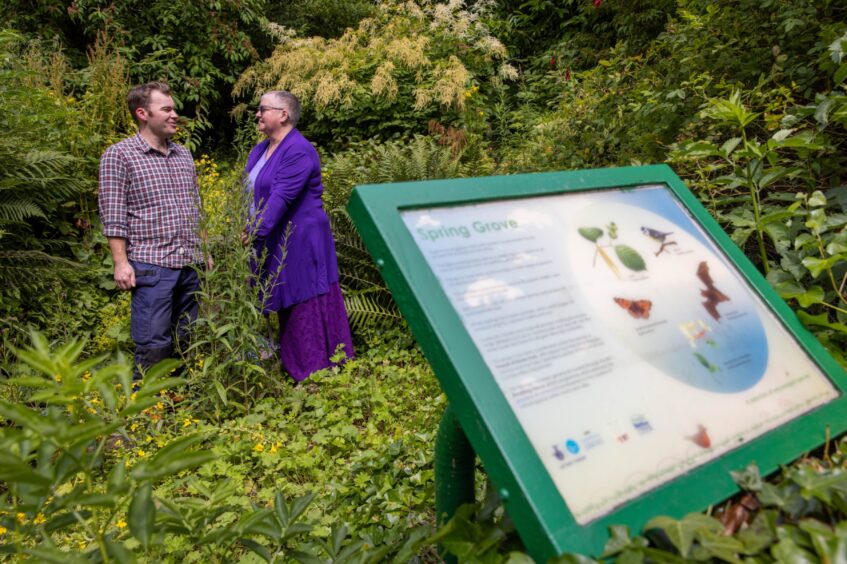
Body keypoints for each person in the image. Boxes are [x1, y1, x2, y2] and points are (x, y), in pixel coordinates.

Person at [99, 81, 209, 376]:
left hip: (191, 263)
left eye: (175, 109)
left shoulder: (183, 155)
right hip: (152, 264)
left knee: (187, 337)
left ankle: (181, 403)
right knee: (154, 342)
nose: (175, 115)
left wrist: (205, 250)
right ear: (142, 113)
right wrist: (121, 263)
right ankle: (148, 409)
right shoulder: (119, 155)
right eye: (167, 109)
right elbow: (113, 214)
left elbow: (196, 207)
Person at [243, 90, 353, 382]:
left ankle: (314, 369)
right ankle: (296, 362)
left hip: (301, 238)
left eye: (263, 108)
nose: (257, 113)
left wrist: (253, 233)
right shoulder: (260, 150)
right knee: (281, 293)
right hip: (274, 235)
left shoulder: (298, 150)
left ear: (283, 114)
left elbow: (281, 197)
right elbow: (250, 194)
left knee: (303, 296)